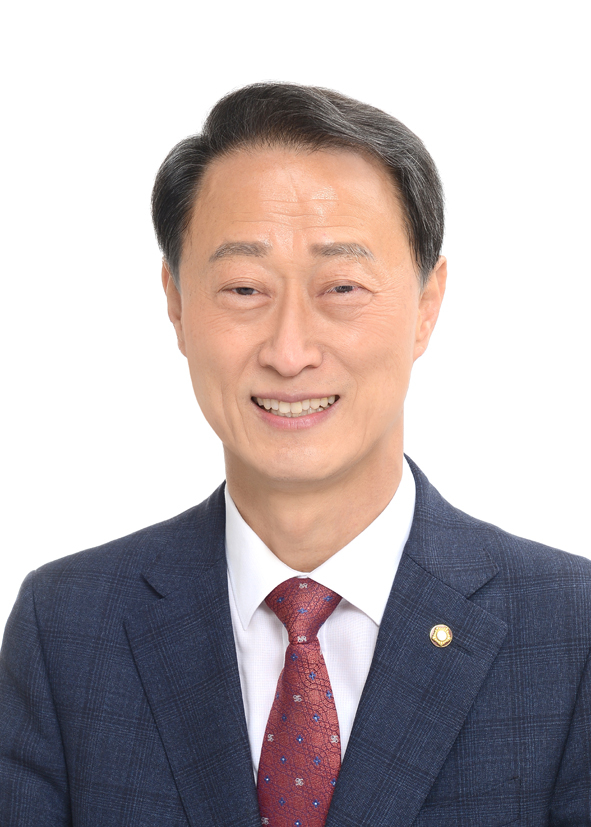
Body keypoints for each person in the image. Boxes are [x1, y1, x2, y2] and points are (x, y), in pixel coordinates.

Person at [1, 82, 590, 827]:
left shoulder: (569, 632)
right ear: (176, 302)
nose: (289, 351)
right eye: (244, 288)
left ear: (427, 304)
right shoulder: (67, 628)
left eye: (341, 286)